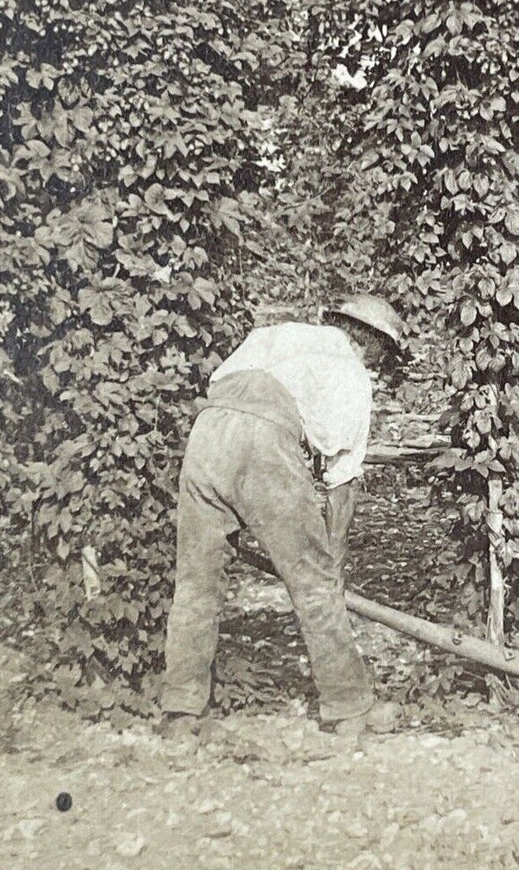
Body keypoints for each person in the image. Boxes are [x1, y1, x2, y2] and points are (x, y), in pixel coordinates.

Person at [161, 294, 405, 732]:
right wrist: (333, 559)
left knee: (196, 583)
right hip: (264, 440)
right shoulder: (351, 374)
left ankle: (180, 712)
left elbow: (225, 388)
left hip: (207, 434)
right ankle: (349, 707)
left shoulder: (277, 334)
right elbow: (341, 482)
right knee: (315, 585)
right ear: (373, 346)